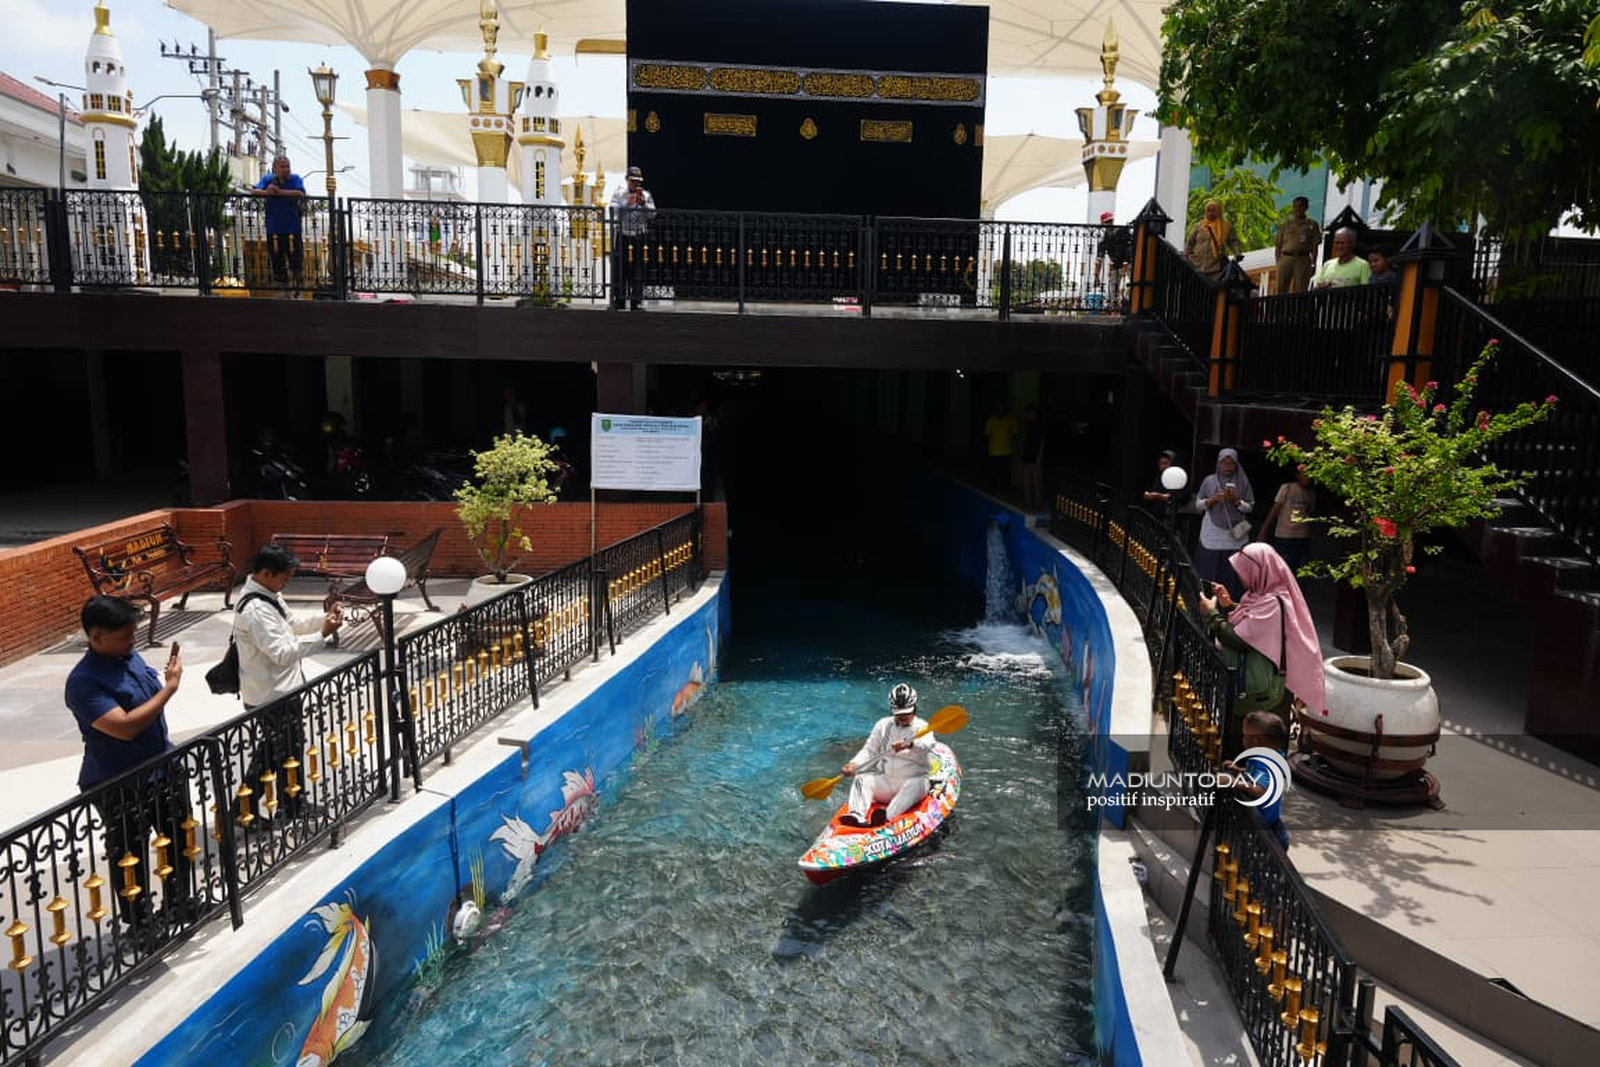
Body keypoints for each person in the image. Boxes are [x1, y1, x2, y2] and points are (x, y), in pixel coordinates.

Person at [64, 596, 193, 927]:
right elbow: (124, 727)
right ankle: (139, 923)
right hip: (119, 780)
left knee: (178, 838)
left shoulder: (129, 657)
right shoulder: (83, 682)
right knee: (129, 854)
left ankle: (179, 904)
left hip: (162, 766)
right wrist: (170, 688)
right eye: (124, 636)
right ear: (96, 637)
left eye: (133, 634)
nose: (133, 641)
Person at [234, 545, 343, 825]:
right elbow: (281, 653)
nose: (287, 582)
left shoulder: (270, 596)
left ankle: (286, 803)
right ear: (266, 573)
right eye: (285, 577)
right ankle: (246, 810)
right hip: (270, 695)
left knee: (283, 752)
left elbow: (292, 624)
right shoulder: (256, 610)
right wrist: (322, 635)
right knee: (275, 754)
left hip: (282, 690)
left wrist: (324, 619)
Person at [1199, 542, 1328, 741]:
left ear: (1260, 570)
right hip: (1260, 685)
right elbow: (1254, 623)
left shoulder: (1271, 603)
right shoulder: (1261, 595)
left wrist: (1211, 613)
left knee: (1256, 742)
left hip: (1262, 692)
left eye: (1245, 570)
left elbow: (1238, 639)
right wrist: (1230, 605)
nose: (1241, 576)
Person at [840, 684, 937, 827]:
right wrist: (854, 764)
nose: (903, 716)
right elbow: (870, 751)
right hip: (887, 782)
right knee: (861, 779)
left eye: (906, 713)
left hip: (913, 784)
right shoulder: (883, 725)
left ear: (914, 708)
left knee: (914, 784)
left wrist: (909, 744)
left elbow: (928, 745)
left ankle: (886, 817)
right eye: (899, 713)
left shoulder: (923, 726)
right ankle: (857, 815)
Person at [1222, 711, 1292, 850]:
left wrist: (1232, 782)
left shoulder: (1266, 762)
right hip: (1265, 820)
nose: (1242, 739)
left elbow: (1260, 789)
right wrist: (1240, 770)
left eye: (1244, 735)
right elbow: (1257, 774)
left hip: (1264, 826)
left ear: (1255, 741)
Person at [1193, 448, 1255, 599]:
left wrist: (1235, 501)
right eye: (1224, 463)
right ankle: (1207, 602)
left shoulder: (1243, 482)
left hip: (1234, 535)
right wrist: (1213, 499)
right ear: (1218, 463)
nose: (1227, 467)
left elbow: (1250, 507)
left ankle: (1229, 604)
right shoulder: (1209, 481)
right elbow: (1198, 505)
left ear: (1236, 464)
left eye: (1231, 463)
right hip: (1213, 533)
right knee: (1210, 570)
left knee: (1231, 572)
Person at [251, 155, 307, 291]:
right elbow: (254, 191)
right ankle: (283, 288)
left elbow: (300, 193)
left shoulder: (295, 179)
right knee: (277, 259)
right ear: (274, 168)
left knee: (295, 259)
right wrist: (267, 192)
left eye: (288, 166)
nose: (286, 169)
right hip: (274, 227)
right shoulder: (268, 179)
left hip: (292, 227)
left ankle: (298, 287)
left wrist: (279, 192)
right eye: (282, 167)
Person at [609, 165, 656, 310]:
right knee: (620, 269)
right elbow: (612, 211)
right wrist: (627, 204)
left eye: (638, 181)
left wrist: (643, 205)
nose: (635, 184)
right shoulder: (619, 193)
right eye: (632, 181)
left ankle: (637, 301)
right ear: (626, 180)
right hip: (623, 234)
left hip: (638, 236)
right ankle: (619, 300)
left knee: (638, 269)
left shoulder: (646, 195)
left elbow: (652, 215)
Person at [1256, 466, 1317, 574]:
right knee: (1283, 570)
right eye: (1305, 475)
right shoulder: (1287, 488)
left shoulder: (1311, 494)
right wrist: (1263, 532)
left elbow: (1310, 513)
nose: (1308, 477)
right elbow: (1274, 511)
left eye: (1310, 475)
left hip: (1303, 537)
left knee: (1301, 571)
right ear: (1297, 476)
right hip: (1285, 536)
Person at [1273, 196, 1322, 295]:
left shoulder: (1311, 225)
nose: (1297, 209)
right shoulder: (1286, 225)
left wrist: (1313, 263)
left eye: (1300, 206)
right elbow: (1278, 245)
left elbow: (1315, 246)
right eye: (1295, 206)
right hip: (1286, 257)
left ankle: (1298, 305)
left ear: (1306, 208)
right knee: (1281, 288)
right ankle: (1281, 305)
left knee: (1300, 289)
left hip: (1302, 258)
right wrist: (1278, 261)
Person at [1184, 199, 1241, 282]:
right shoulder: (1199, 225)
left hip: (1215, 267)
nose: (1210, 213)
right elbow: (1190, 243)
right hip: (1197, 264)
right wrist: (1186, 255)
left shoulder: (1226, 226)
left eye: (1213, 210)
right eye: (1208, 210)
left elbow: (1233, 241)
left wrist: (1237, 253)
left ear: (1219, 211)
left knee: (1212, 287)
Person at [1095, 211, 1133, 306]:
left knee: (1135, 283)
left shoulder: (1123, 231)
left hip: (1128, 263)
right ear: (1103, 224)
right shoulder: (1104, 240)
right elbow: (1099, 259)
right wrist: (1096, 276)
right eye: (1107, 222)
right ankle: (1116, 305)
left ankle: (1127, 300)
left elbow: (1132, 243)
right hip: (1116, 265)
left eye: (1110, 221)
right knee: (1113, 288)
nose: (1109, 224)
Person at [983, 402, 1019, 495]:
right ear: (996, 410)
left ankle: (1005, 490)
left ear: (1005, 409)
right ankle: (993, 490)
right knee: (993, 473)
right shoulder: (991, 420)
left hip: (1006, 451)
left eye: (1002, 408)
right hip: (993, 451)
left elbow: (1016, 434)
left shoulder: (1010, 420)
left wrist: (1009, 441)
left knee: (1005, 473)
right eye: (999, 408)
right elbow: (987, 435)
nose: (1000, 410)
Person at [1020, 404, 1046, 509]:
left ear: (1035, 414)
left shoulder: (1039, 425)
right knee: (1026, 481)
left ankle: (1039, 503)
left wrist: (1039, 457)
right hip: (1027, 456)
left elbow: (1042, 442)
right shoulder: (1027, 424)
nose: (1029, 415)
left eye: (1031, 413)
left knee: (1037, 481)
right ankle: (1028, 502)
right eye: (1028, 413)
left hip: (1036, 457)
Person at [1141, 448, 1179, 517]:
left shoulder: (1178, 478)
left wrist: (1159, 496)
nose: (1163, 466)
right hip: (1154, 515)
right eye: (1161, 463)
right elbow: (1149, 492)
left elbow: (1179, 497)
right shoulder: (1157, 478)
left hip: (1170, 517)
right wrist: (1147, 495)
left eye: (1166, 463)